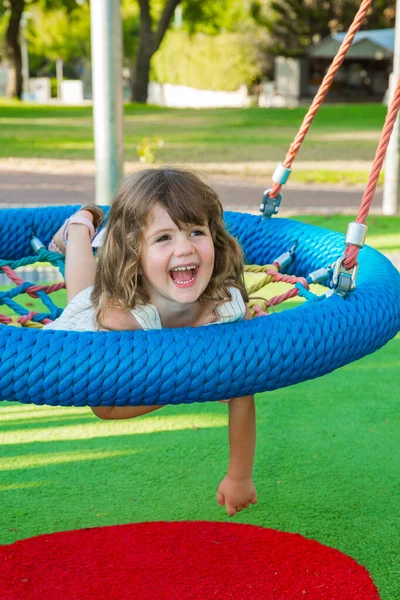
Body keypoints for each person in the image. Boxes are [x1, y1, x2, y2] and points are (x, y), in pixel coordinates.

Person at [44, 167, 257, 517]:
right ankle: (80, 227)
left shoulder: (225, 308)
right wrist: (190, 383)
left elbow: (243, 391)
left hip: (163, 353)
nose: (185, 248)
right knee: (82, 295)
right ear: (136, 253)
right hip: (105, 308)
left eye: (195, 232)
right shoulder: (117, 317)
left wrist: (240, 476)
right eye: (164, 238)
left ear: (214, 239)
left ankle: (85, 229)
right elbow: (77, 378)